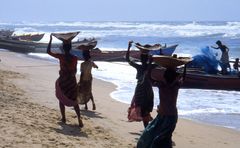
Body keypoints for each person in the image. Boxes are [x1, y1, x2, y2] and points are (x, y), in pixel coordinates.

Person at [137, 65, 187, 148]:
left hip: (162, 115)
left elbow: (150, 78)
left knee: (151, 132)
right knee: (164, 137)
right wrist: (185, 67)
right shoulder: (176, 86)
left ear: (164, 76)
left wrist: (149, 66)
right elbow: (183, 78)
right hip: (170, 116)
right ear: (175, 77)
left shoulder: (161, 85)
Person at [47, 34, 83, 127]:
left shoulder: (61, 57)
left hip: (63, 80)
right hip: (72, 80)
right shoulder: (75, 58)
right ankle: (79, 118)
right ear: (70, 48)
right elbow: (75, 70)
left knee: (61, 97)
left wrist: (50, 40)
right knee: (74, 99)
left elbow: (48, 52)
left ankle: (63, 118)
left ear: (63, 47)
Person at [126, 41, 157, 128]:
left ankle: (146, 128)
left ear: (141, 58)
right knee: (145, 110)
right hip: (147, 90)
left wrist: (128, 47)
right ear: (147, 58)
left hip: (140, 90)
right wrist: (158, 55)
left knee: (141, 108)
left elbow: (128, 59)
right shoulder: (150, 66)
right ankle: (146, 127)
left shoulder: (139, 67)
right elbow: (159, 63)